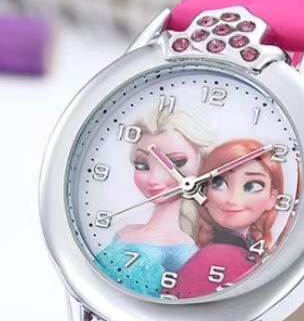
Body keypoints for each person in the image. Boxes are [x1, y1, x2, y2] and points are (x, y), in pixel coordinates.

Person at [94, 106, 213, 297]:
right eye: (142, 165)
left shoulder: (182, 249)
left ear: (201, 165)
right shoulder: (124, 232)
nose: (154, 179)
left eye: (177, 163)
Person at [167, 139, 284, 300]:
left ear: (272, 197)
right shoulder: (217, 256)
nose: (232, 199)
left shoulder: (250, 249)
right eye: (219, 183)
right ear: (204, 191)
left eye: (251, 186)